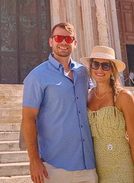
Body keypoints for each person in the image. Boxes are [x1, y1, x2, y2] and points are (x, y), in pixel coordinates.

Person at [22, 22, 96, 183]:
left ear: (75, 43)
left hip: (88, 166)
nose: (63, 42)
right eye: (59, 38)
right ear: (51, 41)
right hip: (55, 167)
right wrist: (34, 160)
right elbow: (28, 119)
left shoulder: (83, 73)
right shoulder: (37, 76)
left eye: (68, 39)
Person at [83, 46, 134, 183]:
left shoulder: (123, 97)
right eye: (95, 64)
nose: (99, 69)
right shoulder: (87, 96)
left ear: (112, 70)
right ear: (91, 67)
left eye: (105, 66)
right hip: (95, 171)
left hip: (122, 169)